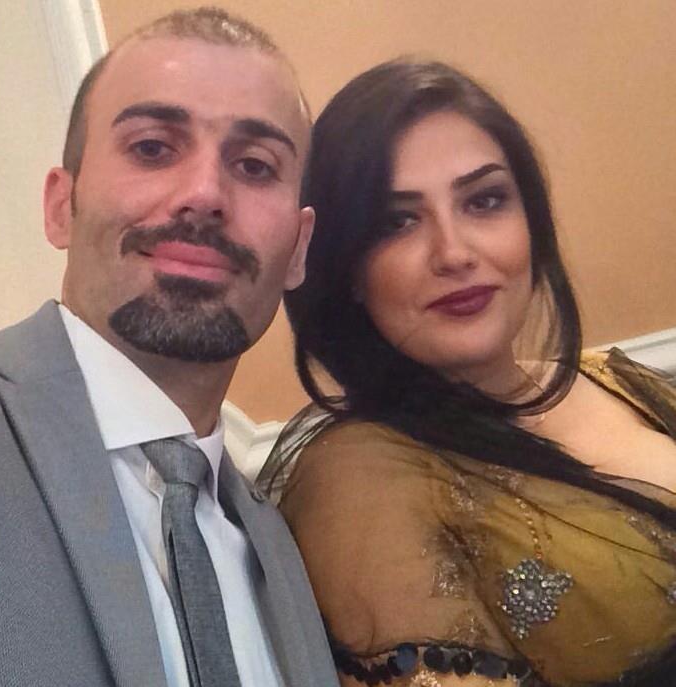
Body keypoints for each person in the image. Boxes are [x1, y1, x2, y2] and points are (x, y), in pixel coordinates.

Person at [258, 59, 676, 686]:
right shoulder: (358, 476)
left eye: (484, 201)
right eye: (397, 222)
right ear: (346, 269)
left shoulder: (611, 379)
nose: (454, 253)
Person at [0, 7, 338, 687]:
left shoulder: (284, 542)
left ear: (298, 248)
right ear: (61, 206)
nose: (204, 194)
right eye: (152, 148)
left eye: (254, 165)